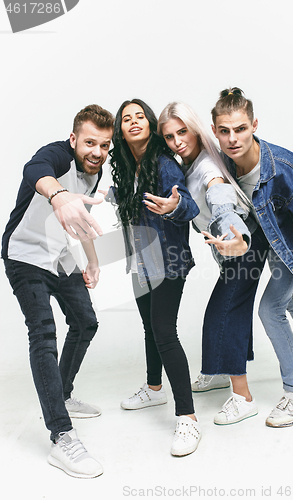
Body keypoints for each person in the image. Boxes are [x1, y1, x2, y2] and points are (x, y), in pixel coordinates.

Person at [207, 87, 293, 427]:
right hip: (259, 241)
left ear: (254, 125)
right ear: (215, 131)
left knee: (270, 307)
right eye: (225, 131)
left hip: (288, 247)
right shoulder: (221, 166)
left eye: (241, 129)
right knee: (288, 299)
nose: (233, 139)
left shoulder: (287, 167)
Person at [2, 104, 114, 477]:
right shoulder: (56, 155)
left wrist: (92, 260)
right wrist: (58, 194)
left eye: (104, 145)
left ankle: (62, 393)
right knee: (44, 335)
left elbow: (80, 219)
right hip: (24, 255)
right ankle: (61, 436)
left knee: (86, 322)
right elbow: (34, 170)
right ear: (73, 139)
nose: (96, 152)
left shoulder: (94, 172)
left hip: (60, 256)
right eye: (89, 143)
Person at [157, 101, 269, 425]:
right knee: (228, 312)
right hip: (231, 248)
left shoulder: (206, 165)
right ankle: (221, 372)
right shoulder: (188, 164)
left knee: (224, 315)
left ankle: (243, 398)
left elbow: (219, 196)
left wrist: (234, 235)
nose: (178, 141)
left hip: (242, 243)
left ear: (195, 129)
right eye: (169, 137)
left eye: (183, 132)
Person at [106, 98, 201, 456]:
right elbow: (131, 201)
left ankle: (188, 418)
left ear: (150, 124)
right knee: (149, 326)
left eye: (140, 116)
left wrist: (176, 206)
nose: (133, 121)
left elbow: (186, 203)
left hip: (168, 262)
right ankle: (153, 389)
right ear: (121, 129)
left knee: (164, 332)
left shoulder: (164, 165)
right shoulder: (129, 165)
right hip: (139, 260)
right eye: (126, 118)